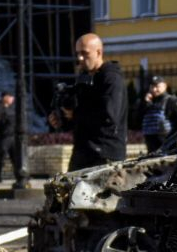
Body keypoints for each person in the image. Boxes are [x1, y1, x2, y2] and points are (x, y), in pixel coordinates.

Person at [50, 33, 127, 171]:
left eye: (85, 53)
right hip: (82, 152)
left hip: (105, 155)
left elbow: (109, 116)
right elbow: (80, 115)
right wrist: (62, 118)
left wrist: (76, 114)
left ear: (99, 52)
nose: (80, 58)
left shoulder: (111, 78)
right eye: (78, 53)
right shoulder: (84, 78)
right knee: (68, 191)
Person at [140, 78, 177, 153]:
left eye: (157, 86)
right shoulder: (149, 102)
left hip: (168, 145)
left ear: (165, 86)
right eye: (152, 87)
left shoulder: (172, 101)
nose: (154, 89)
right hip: (152, 147)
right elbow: (136, 121)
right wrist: (145, 103)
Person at [0, 90, 17, 184]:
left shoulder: (12, 107)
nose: (12, 99)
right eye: (11, 97)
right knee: (1, 157)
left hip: (12, 136)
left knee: (16, 158)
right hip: (3, 137)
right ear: (5, 97)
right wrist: (4, 121)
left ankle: (19, 176)